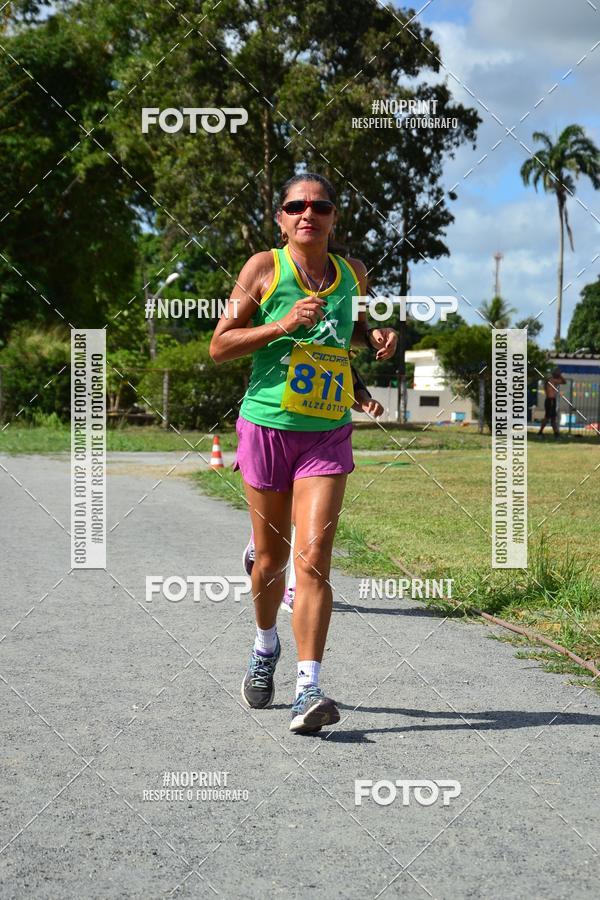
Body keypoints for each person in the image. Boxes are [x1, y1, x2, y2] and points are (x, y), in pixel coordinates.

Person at [209, 172, 396, 734]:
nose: (308, 213)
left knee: (313, 560)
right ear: (281, 217)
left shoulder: (352, 273)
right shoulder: (263, 269)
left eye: (320, 205)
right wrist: (282, 323)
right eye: (296, 206)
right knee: (270, 560)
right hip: (267, 426)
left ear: (335, 216)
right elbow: (220, 344)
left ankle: (308, 689)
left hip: (327, 431)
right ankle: (265, 645)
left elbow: (348, 333)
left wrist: (378, 338)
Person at [242, 372, 384, 613]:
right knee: (285, 509)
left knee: (309, 525)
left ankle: (295, 587)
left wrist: (361, 395)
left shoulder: (338, 335)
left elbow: (341, 358)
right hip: (275, 423)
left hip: (324, 431)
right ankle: (261, 539)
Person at [539, 368, 566, 437]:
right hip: (550, 400)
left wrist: (559, 374)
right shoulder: (552, 380)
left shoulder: (551, 380)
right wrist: (560, 375)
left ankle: (555, 433)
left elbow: (563, 382)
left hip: (551, 400)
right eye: (558, 373)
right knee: (548, 417)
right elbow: (564, 381)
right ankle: (541, 432)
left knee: (552, 417)